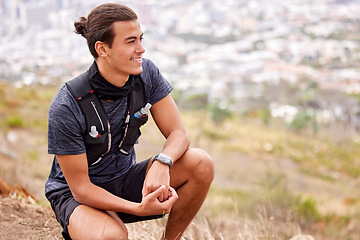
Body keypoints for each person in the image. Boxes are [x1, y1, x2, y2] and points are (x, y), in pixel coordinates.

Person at [45, 3, 214, 240]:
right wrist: (138, 208)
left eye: (140, 39)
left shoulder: (146, 74)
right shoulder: (68, 105)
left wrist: (162, 162)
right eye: (130, 41)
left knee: (201, 163)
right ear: (102, 49)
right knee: (113, 236)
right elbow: (81, 189)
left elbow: (178, 134)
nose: (141, 49)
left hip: (125, 181)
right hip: (77, 196)